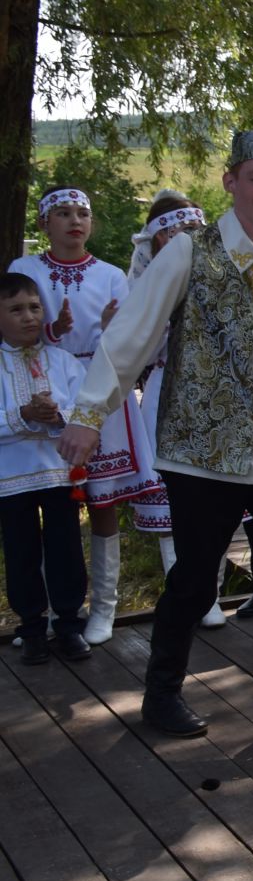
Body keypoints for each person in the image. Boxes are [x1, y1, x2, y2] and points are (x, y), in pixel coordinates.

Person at [59, 129, 253, 738]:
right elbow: (133, 334)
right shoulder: (189, 253)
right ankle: (161, 696)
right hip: (202, 441)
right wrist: (88, 414)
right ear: (230, 182)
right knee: (196, 572)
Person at [11, 188, 162, 645]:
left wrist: (117, 327)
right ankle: (45, 615)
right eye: (62, 213)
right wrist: (53, 330)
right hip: (45, 387)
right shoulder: (26, 269)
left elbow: (126, 338)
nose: (75, 220)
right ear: (44, 224)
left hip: (101, 387)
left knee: (102, 499)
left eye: (83, 213)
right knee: (47, 506)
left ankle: (102, 609)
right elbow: (19, 323)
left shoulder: (112, 274)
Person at [123, 193, 229, 630]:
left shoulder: (223, 274)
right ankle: (184, 593)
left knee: (218, 498)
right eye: (173, 232)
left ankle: (212, 596)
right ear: (156, 240)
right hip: (168, 392)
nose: (184, 239)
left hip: (216, 393)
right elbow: (139, 349)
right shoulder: (142, 286)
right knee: (175, 500)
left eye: (190, 231)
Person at [0, 272, 90, 664]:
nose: (28, 316)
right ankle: (32, 628)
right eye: (15, 309)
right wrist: (21, 413)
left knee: (66, 548)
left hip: (58, 473)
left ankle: (69, 624)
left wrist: (58, 416)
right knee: (20, 552)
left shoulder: (63, 361)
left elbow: (87, 409)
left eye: (34, 307)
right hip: (10, 477)